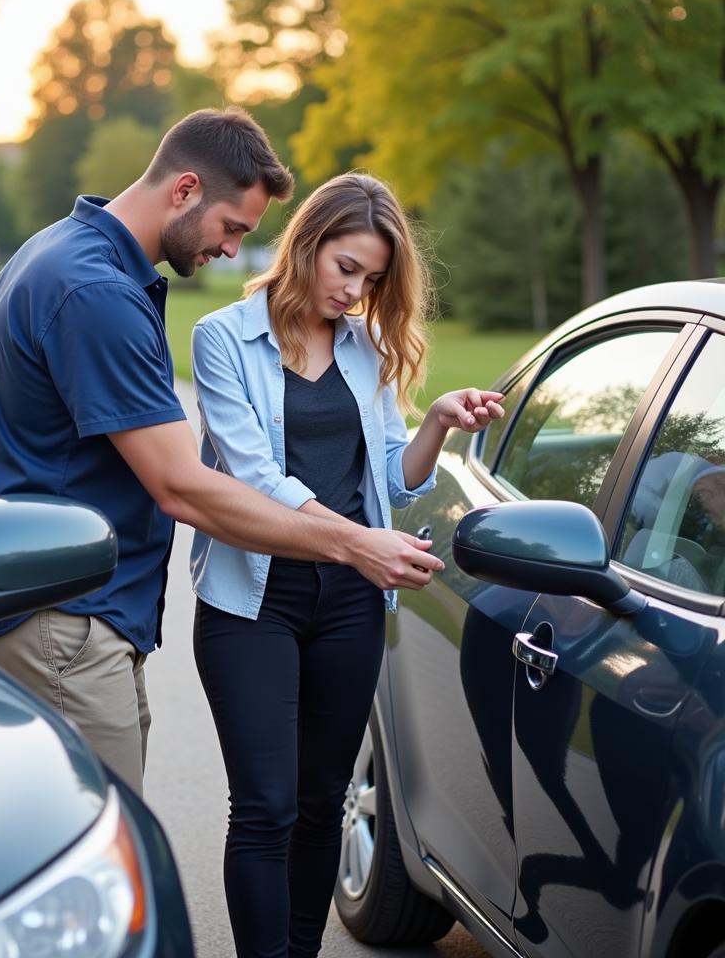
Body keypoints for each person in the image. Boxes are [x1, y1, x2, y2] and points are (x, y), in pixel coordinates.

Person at [0, 109, 448, 798]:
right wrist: (355, 545)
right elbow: (183, 486)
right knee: (105, 867)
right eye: (232, 227)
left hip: (58, 617)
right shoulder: (98, 293)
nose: (234, 250)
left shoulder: (56, 252)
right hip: (60, 627)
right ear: (184, 190)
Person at [189, 172, 504, 958]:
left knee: (324, 799)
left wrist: (433, 421)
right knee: (266, 806)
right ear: (307, 244)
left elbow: (393, 476)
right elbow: (254, 478)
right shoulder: (222, 339)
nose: (355, 290)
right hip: (251, 600)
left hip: (349, 606)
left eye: (370, 278)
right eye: (346, 268)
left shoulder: (364, 347)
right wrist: (362, 541)